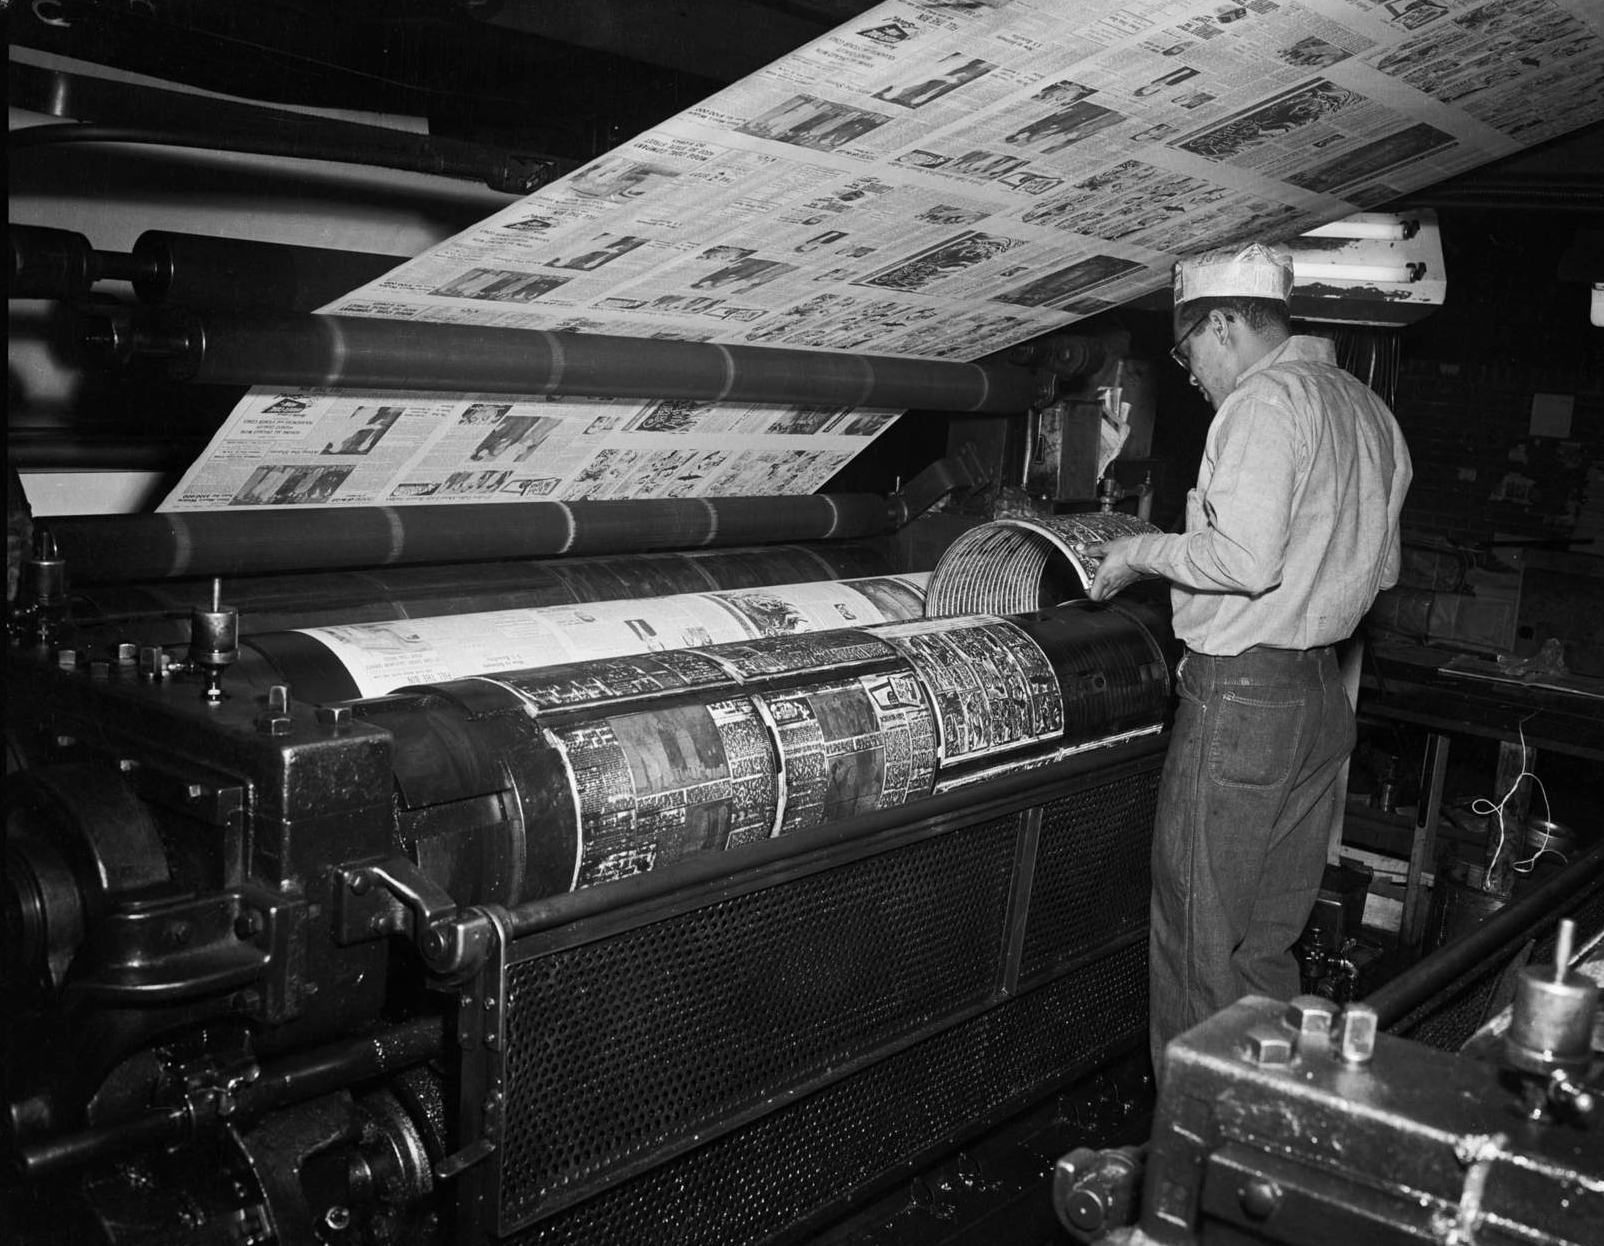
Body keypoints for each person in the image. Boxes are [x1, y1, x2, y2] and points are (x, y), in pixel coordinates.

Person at [1084, 241, 1411, 1075]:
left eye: (1188, 349)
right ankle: (1255, 1139)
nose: (1190, 374)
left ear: (1223, 323)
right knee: (1265, 945)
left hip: (1243, 705)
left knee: (1198, 940)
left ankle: (1189, 1168)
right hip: (1319, 700)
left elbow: (1243, 561)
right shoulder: (1364, 407)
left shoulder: (1266, 403)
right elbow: (1383, 571)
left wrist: (1141, 553)